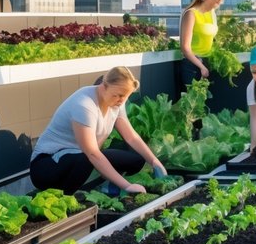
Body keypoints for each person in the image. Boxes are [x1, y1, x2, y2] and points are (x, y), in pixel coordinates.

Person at [29, 65, 166, 195]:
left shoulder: (117, 102)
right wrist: (126, 185)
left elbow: (131, 137)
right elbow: (93, 154)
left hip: (79, 156)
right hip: (46, 166)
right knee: (86, 159)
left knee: (136, 161)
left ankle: (107, 187)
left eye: (126, 96)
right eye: (118, 95)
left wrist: (155, 162)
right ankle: (65, 196)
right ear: (104, 86)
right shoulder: (84, 105)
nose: (121, 100)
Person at [179, 0, 225, 94]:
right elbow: (185, 48)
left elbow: (211, 38)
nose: (217, 2)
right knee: (193, 104)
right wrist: (201, 66)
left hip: (207, 63)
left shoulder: (212, 13)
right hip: (193, 65)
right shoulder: (191, 14)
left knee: (206, 105)